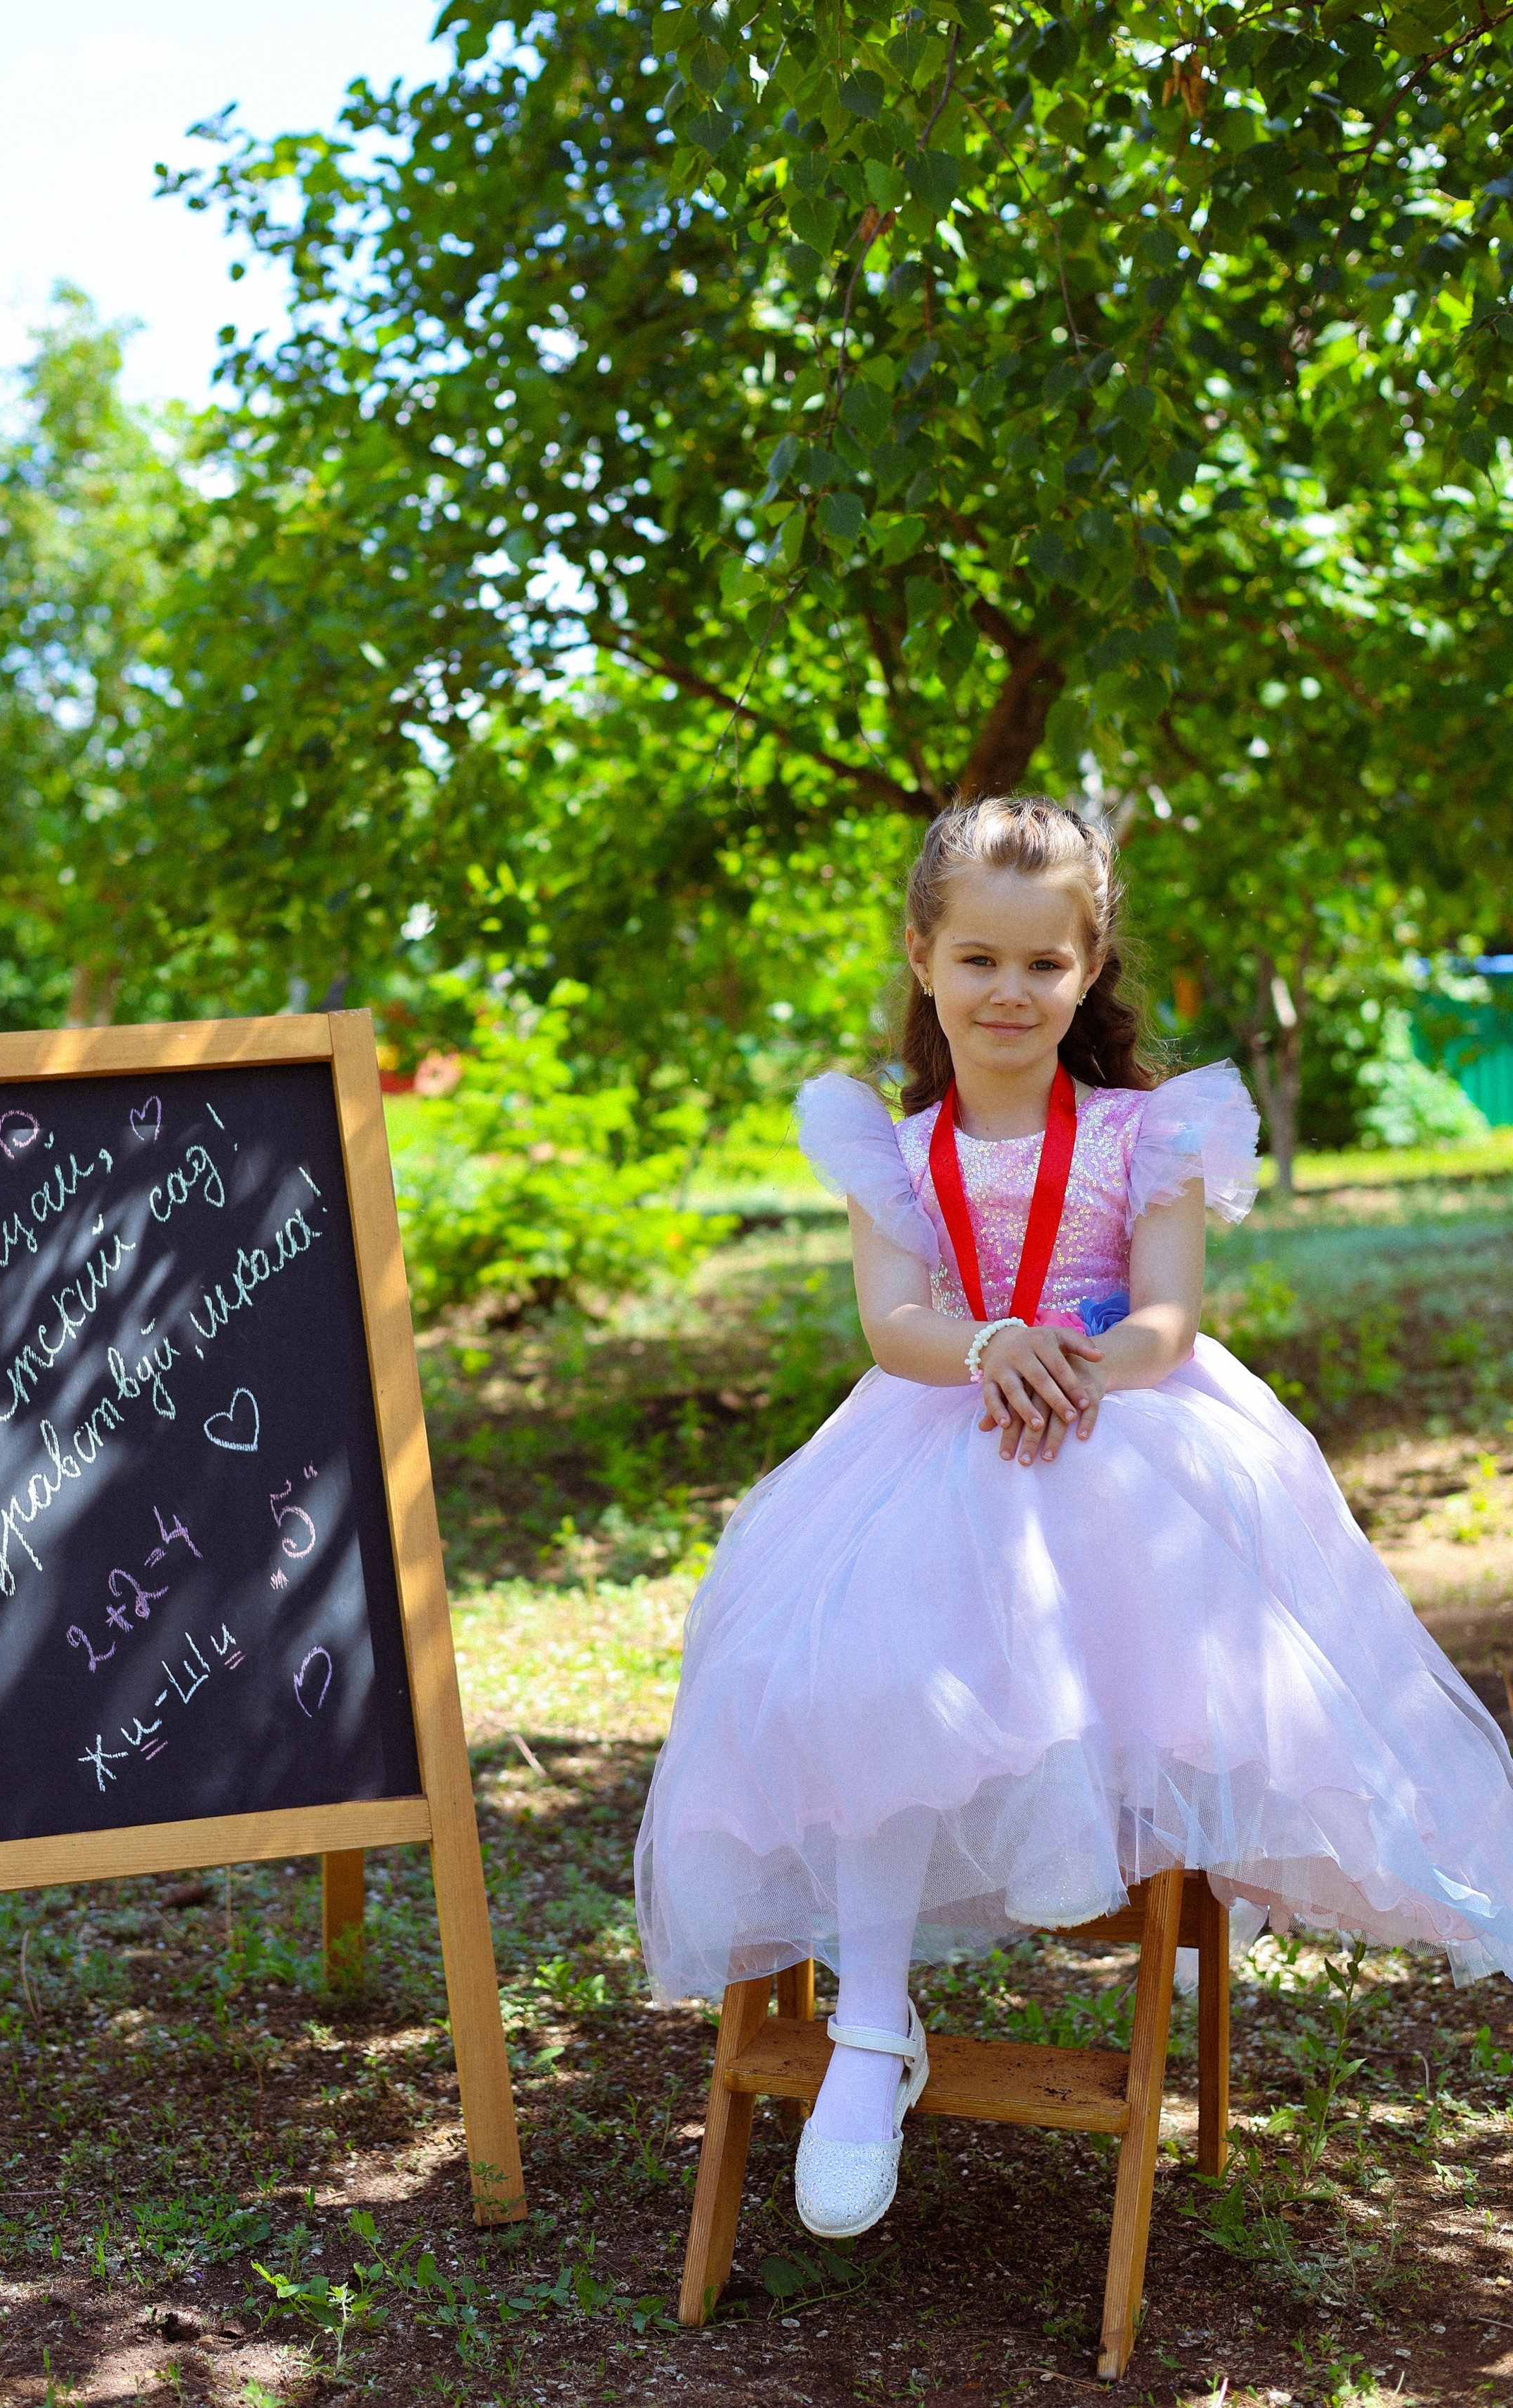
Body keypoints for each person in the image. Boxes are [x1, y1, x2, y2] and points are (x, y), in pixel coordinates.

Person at [635, 794, 1513, 2243]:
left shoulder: (1144, 1131)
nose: (1008, 990)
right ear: (921, 957)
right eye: (976, 957)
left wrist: (1074, 1367)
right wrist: (989, 1348)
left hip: (1121, 1424)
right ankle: (867, 2025)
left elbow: (1166, 1315)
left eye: (1044, 963)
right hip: (939, 1420)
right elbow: (891, 1321)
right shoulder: (893, 1148)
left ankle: (1084, 1830)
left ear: (1088, 966)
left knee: (1114, 1603)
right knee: (861, 1672)